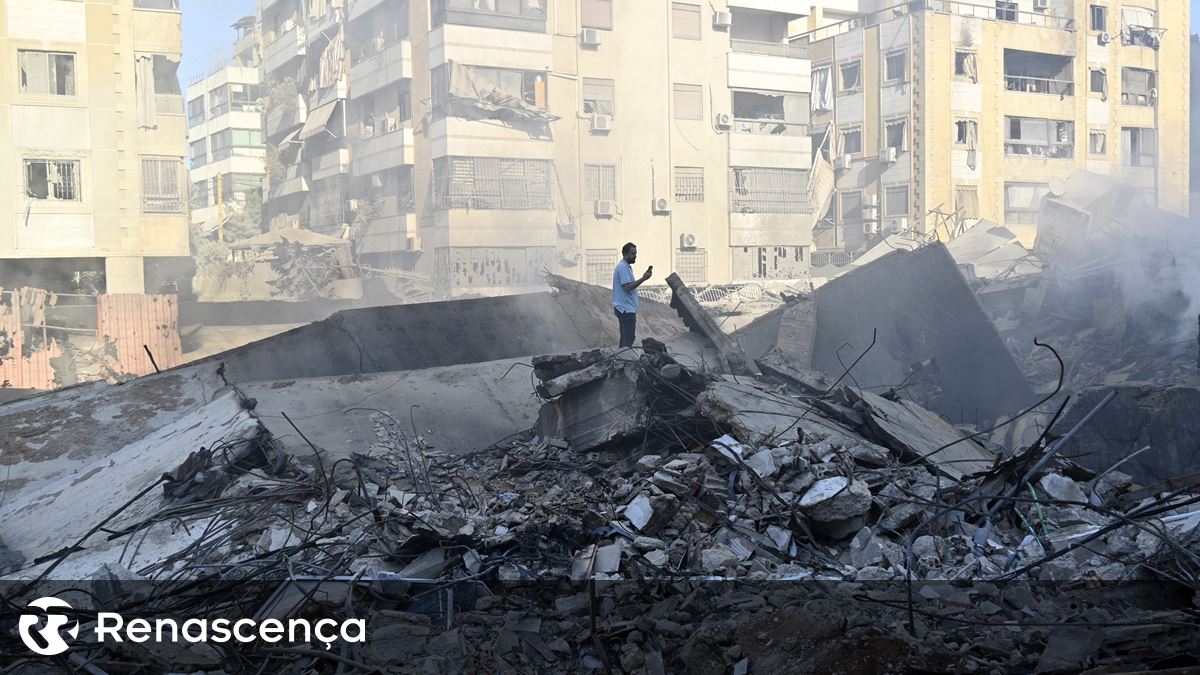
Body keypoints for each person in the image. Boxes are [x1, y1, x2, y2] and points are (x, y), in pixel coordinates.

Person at [612, 242, 652, 349]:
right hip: (626, 309)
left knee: (625, 338)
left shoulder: (625, 267)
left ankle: (621, 360)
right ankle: (625, 360)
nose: (635, 256)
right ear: (625, 254)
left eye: (636, 253)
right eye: (633, 253)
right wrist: (644, 278)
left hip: (625, 308)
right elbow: (627, 287)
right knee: (628, 339)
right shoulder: (623, 268)